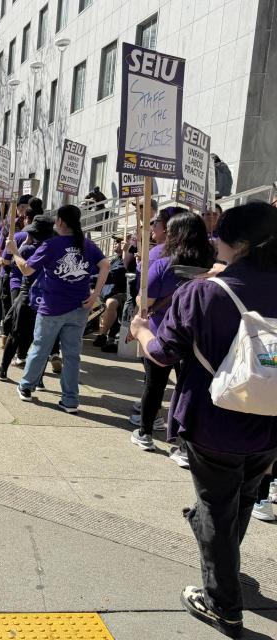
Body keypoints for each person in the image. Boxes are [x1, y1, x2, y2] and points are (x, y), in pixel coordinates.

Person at [129, 202, 277, 639]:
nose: (215, 240)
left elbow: (162, 353)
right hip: (269, 422)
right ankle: (223, 558)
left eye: (222, 235)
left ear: (242, 244)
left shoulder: (204, 293)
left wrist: (141, 330)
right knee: (243, 497)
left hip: (214, 420)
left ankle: (223, 603)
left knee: (215, 506)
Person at [6, 204, 109, 412]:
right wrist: (95, 294)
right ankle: (70, 399)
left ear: (60, 222)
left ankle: (26, 386)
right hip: (79, 307)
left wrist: (14, 252)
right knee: (72, 355)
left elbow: (26, 270)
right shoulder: (87, 245)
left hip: (52, 307)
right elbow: (105, 264)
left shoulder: (52, 245)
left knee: (40, 349)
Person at [129, 213, 215, 457]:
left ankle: (145, 432)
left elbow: (145, 301)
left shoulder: (163, 265)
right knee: (189, 389)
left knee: (154, 386)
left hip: (162, 333)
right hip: (198, 335)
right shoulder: (213, 265)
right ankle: (184, 445)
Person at [0, 214, 55, 381]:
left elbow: (22, 268)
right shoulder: (54, 250)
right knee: (40, 341)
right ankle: (39, 378)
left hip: (27, 296)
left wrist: (14, 251)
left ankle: (3, 369)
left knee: (15, 334)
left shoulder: (28, 250)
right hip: (46, 299)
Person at [0, 196, 33, 335]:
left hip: (18, 272)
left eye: (26, 208)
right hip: (10, 270)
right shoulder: (8, 224)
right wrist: (0, 257)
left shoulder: (35, 228)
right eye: (21, 207)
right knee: (3, 299)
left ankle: (8, 334)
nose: (23, 211)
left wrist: (2, 258)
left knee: (9, 304)